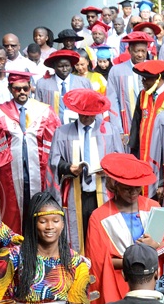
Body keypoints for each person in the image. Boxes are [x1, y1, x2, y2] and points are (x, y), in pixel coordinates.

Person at [85, 153, 164, 304]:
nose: (134, 193)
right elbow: (98, 263)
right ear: (114, 185)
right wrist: (135, 262)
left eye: (137, 187)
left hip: (153, 285)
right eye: (127, 189)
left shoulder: (153, 206)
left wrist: (156, 244)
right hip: (119, 287)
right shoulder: (99, 217)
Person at [0, 71, 60, 233]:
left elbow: (54, 142)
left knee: (39, 208)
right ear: (10, 88)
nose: (22, 92)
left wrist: (51, 168)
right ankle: (14, 244)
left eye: (25, 88)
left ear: (31, 87)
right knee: (12, 209)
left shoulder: (44, 110)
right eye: (17, 89)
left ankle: (38, 242)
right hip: (10, 172)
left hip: (40, 171)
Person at [49, 89, 125, 252]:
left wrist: (108, 169)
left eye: (91, 115)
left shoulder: (110, 130)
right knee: (77, 231)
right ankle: (79, 264)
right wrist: (69, 167)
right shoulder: (63, 132)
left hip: (103, 189)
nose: (86, 118)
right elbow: (54, 160)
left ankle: (101, 262)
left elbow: (120, 158)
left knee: (102, 230)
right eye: (83, 115)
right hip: (76, 191)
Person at [106, 31, 151, 141]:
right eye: (137, 51)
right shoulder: (117, 70)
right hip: (127, 122)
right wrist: (118, 129)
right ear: (129, 50)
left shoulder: (153, 70)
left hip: (149, 123)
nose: (140, 55)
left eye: (143, 51)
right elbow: (112, 101)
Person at [129, 60, 164, 163]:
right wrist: (134, 150)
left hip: (162, 152)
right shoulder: (143, 94)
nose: (143, 82)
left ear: (158, 78)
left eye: (146, 79)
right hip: (143, 149)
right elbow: (136, 122)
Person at [35, 49, 92, 122]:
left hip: (77, 126)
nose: (65, 69)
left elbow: (91, 106)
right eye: (60, 66)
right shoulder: (42, 84)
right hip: (52, 127)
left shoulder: (84, 83)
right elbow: (37, 108)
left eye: (67, 66)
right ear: (54, 67)